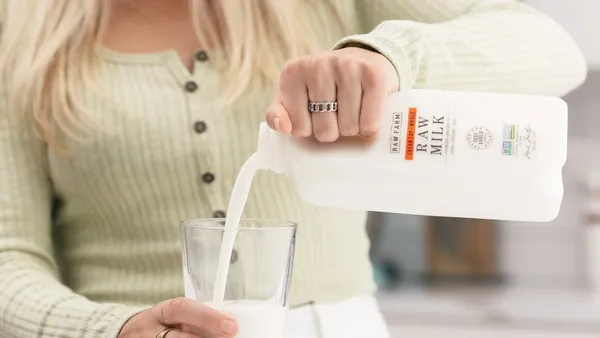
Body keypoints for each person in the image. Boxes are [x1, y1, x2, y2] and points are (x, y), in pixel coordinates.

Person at [0, 0, 586, 337]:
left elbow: (550, 48)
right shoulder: (20, 26)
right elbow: (8, 255)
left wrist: (390, 56)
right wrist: (112, 331)